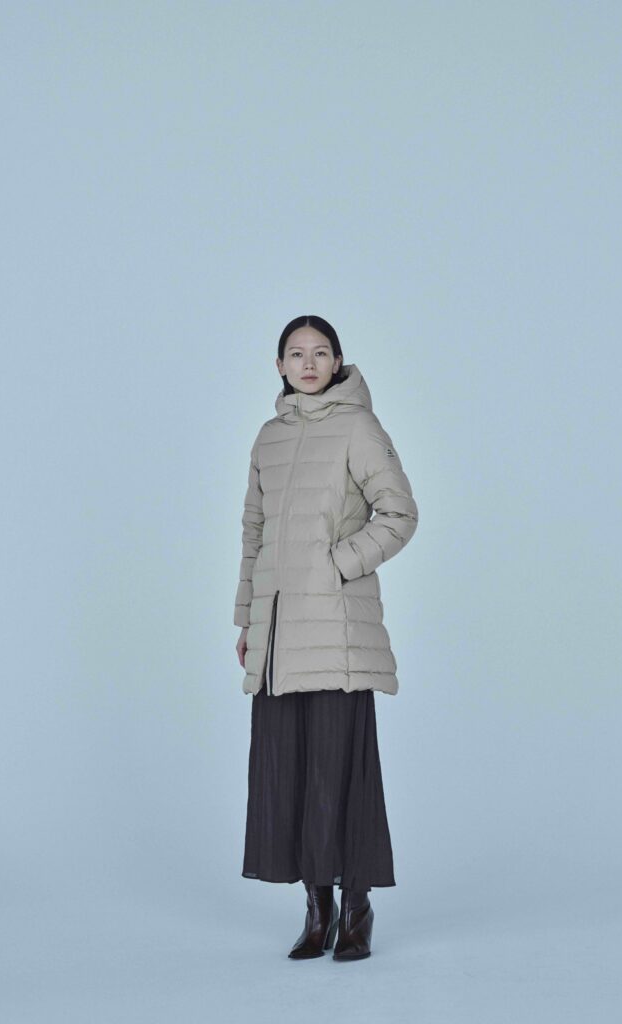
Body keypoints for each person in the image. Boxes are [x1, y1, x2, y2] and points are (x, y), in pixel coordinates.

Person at [234, 315, 419, 960]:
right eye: (296, 353)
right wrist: (247, 620)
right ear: (279, 365)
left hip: (336, 630)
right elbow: (254, 534)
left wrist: (337, 564)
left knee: (337, 774)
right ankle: (318, 910)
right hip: (279, 634)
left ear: (338, 361)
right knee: (288, 773)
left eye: (320, 353)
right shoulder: (268, 437)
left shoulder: (359, 427)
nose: (308, 363)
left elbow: (400, 513)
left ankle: (357, 905)